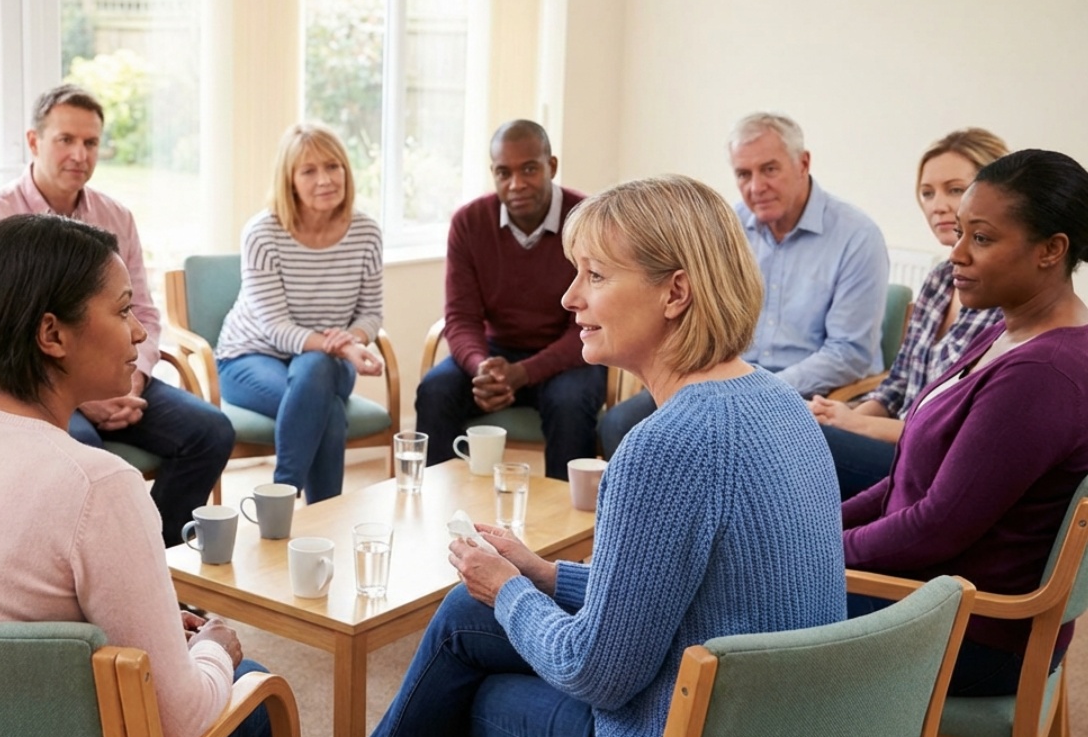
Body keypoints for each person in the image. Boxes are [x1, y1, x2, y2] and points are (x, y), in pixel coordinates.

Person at [345, 175, 846, 737]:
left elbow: (597, 673)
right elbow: (689, 591)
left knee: (470, 691)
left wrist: (508, 590)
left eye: (596, 276)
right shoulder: (780, 401)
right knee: (465, 612)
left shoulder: (664, 448)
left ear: (675, 293)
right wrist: (544, 575)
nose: (569, 299)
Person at [0, 214, 271, 737]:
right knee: (258, 688)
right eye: (123, 310)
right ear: (52, 335)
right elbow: (180, 723)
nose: (141, 332)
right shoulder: (98, 484)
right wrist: (219, 647)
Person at [844, 149, 1088, 696]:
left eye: (980, 238)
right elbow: (911, 479)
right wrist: (816, 529)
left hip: (968, 631)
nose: (956, 254)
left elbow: (935, 526)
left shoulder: (1044, 373)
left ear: (1052, 250)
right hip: (934, 599)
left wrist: (813, 550)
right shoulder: (1008, 330)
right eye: (960, 234)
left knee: (735, 596)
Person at [0, 84, 234, 547]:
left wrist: (132, 379)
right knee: (83, 454)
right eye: (66, 140)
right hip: (37, 388)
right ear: (34, 141)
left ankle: (156, 560)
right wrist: (81, 397)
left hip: (116, 374)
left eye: (91, 142)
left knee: (210, 431)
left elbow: (140, 308)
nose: (79, 154)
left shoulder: (116, 216)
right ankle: (95, 570)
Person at [598, 112, 888, 455]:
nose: (756, 187)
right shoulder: (727, 226)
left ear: (803, 163)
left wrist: (756, 389)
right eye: (743, 174)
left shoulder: (857, 236)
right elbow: (699, 315)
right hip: (718, 380)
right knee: (619, 423)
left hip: (809, 393)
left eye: (769, 169)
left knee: (720, 442)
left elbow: (848, 353)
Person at [811, 129, 1009, 496]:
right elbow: (897, 385)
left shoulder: (1007, 296)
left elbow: (952, 433)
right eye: (927, 192)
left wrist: (853, 424)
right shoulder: (938, 279)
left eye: (955, 189)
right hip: (891, 444)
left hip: (931, 466)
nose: (938, 205)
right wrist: (840, 415)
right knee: (794, 427)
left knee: (795, 447)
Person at [415, 120, 606, 479]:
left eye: (529, 169)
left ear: (551, 166)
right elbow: (461, 316)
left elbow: (588, 320)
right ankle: (436, 504)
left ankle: (567, 522)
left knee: (570, 402)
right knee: (435, 391)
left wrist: (523, 373)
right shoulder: (469, 223)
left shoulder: (586, 219)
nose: (516, 184)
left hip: (569, 354)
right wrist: (481, 368)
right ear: (493, 173)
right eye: (504, 172)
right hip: (495, 353)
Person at [214, 122, 385, 504]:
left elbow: (370, 314)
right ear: (289, 180)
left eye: (333, 166)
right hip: (249, 358)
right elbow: (275, 328)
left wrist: (352, 341)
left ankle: (279, 499)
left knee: (314, 368)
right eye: (309, 171)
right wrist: (343, 349)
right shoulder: (263, 233)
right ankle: (325, 516)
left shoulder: (366, 232)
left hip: (328, 361)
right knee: (327, 410)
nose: (324, 179)